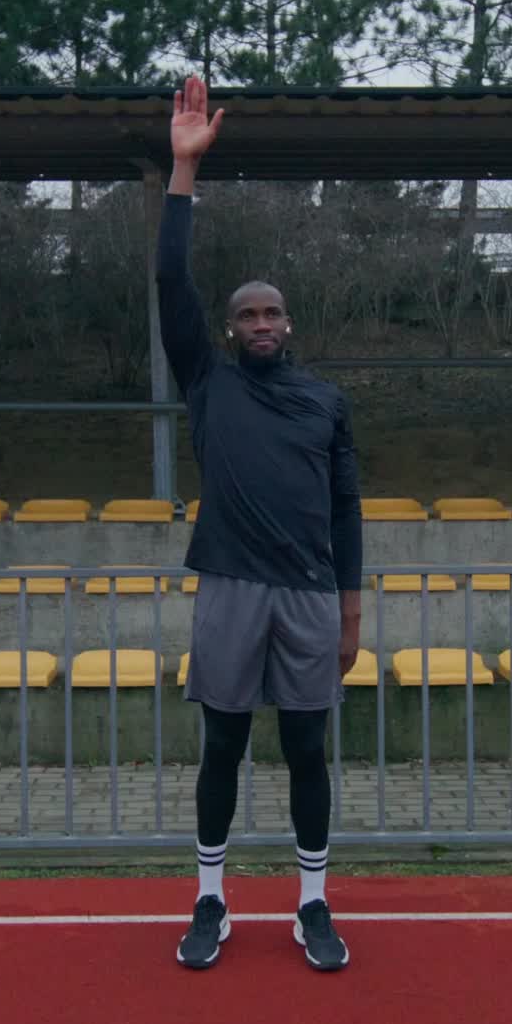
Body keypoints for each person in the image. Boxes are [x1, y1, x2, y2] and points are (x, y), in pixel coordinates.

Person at [157, 75, 362, 972]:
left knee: (309, 749)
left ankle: (312, 905)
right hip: (232, 588)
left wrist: (351, 608)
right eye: (246, 314)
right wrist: (182, 170)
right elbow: (170, 278)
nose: (260, 322)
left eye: (272, 310)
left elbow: (347, 509)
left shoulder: (326, 402)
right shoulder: (210, 380)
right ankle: (211, 898)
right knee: (224, 749)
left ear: (290, 320)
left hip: (312, 596)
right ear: (232, 332)